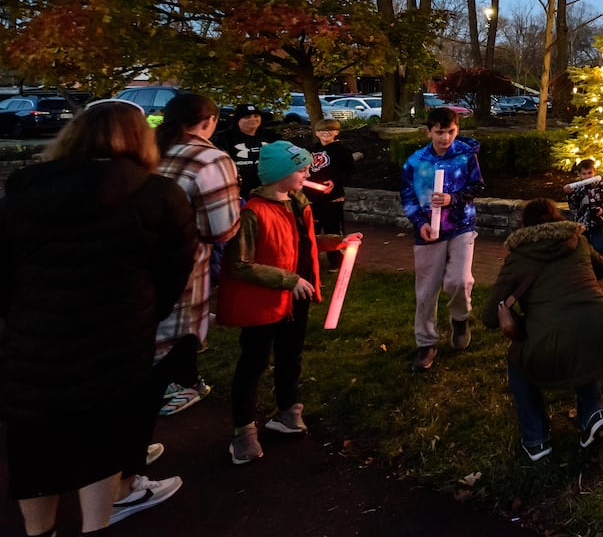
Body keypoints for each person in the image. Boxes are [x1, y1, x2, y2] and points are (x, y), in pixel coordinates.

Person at [1, 101, 195, 535]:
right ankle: (96, 525)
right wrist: (143, 315)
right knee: (103, 439)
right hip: (117, 339)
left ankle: (39, 532)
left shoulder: (24, 189)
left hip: (33, 339)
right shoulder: (159, 195)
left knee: (34, 442)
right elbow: (173, 273)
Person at [112, 94, 241, 522]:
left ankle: (119, 454)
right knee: (152, 376)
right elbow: (222, 227)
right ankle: (125, 481)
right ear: (208, 121)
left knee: (128, 368)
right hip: (179, 277)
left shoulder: (149, 150)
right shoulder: (209, 160)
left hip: (127, 276)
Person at [218, 141, 359, 465]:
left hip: (296, 300)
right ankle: (244, 432)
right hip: (264, 303)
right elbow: (240, 264)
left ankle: (287, 411)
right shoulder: (253, 212)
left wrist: (337, 242)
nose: (308, 173)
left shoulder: (298, 203)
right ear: (280, 174)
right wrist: (288, 280)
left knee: (290, 356)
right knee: (252, 363)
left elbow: (300, 243)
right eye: (301, 169)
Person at [481, 198, 603, 462]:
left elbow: (490, 317)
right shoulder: (576, 240)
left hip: (554, 339)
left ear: (524, 225)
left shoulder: (519, 256)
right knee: (579, 343)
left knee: (518, 362)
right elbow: (602, 268)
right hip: (602, 326)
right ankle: (593, 413)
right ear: (556, 217)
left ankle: (536, 440)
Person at [401, 107, 484, 372]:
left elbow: (477, 186)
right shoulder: (415, 162)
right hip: (429, 233)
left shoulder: (466, 156)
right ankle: (426, 343)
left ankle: (460, 319)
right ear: (429, 132)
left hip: (461, 227)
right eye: (440, 132)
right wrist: (420, 222)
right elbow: (407, 196)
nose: (446, 137)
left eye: (451, 131)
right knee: (426, 290)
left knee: (460, 280)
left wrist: (453, 199)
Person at [304, 118, 362, 268]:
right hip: (312, 197)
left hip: (333, 198)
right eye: (322, 130)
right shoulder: (312, 150)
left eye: (330, 130)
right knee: (312, 230)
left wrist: (335, 182)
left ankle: (337, 262)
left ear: (336, 132)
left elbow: (348, 171)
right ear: (316, 133)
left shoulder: (342, 150)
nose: (326, 133)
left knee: (333, 230)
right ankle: (310, 260)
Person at [213, 103, 267, 191]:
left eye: (256, 115)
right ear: (238, 120)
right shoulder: (224, 139)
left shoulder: (270, 137)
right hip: (237, 191)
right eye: (247, 117)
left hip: (265, 190)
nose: (253, 119)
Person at [565, 158, 603, 254]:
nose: (587, 177)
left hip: (596, 222)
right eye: (584, 174)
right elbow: (573, 206)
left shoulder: (600, 185)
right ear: (579, 174)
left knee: (598, 247)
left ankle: (598, 266)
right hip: (582, 224)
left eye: (590, 173)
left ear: (594, 172)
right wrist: (570, 194)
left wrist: (602, 209)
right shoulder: (577, 188)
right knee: (582, 249)